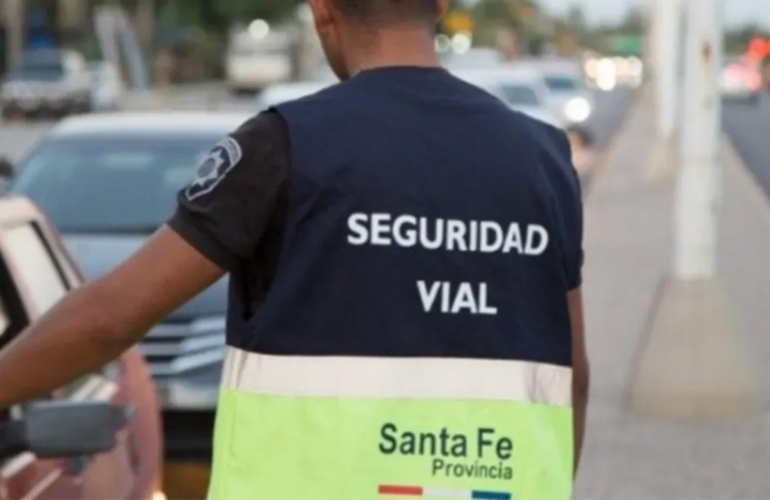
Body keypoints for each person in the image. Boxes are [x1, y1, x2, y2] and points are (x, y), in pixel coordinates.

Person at [0, 0, 589, 498]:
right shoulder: (542, 158)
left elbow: (109, 317)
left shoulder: (284, 145)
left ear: (322, 10)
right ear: (440, 5)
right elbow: (574, 375)